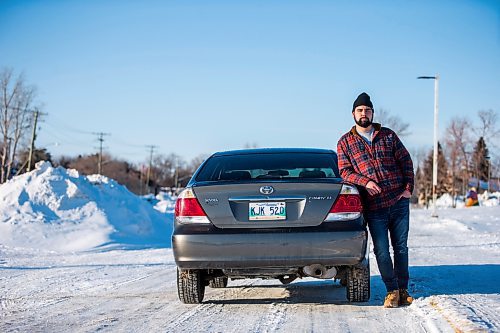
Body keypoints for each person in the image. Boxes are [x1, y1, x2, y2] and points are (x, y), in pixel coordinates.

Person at [337, 92, 415, 308]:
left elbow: (406, 161)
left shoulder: (388, 135)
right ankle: (391, 291)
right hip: (374, 207)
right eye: (360, 110)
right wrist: (365, 182)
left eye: (367, 110)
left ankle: (403, 290)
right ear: (353, 114)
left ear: (372, 113)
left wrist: (408, 188)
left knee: (401, 247)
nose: (364, 114)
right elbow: (344, 171)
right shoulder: (345, 142)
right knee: (381, 249)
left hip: (398, 201)